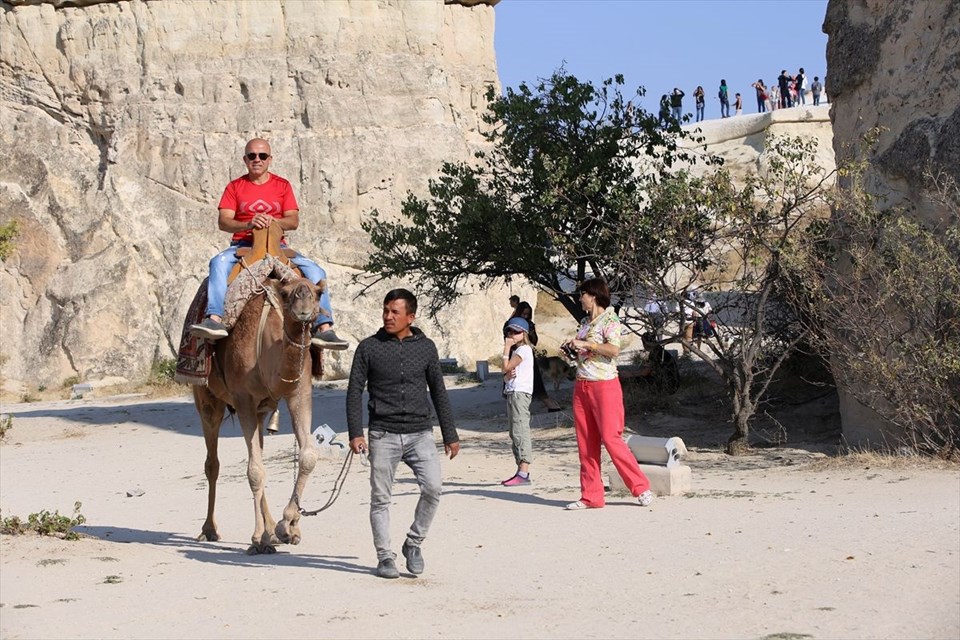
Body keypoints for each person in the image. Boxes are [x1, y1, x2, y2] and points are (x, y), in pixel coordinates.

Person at [190, 138, 348, 350]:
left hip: (278, 246)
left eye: (262, 156)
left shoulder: (282, 186)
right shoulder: (235, 187)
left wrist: (274, 221)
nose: (257, 160)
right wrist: (249, 222)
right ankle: (215, 318)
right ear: (245, 159)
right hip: (243, 245)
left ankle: (324, 327)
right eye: (252, 156)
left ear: (269, 159)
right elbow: (224, 221)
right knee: (217, 263)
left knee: (316, 271)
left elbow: (293, 220)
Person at [347, 288, 460, 579]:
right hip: (383, 434)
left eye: (395, 312)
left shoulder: (426, 347)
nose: (388, 316)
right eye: (385, 310)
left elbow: (438, 390)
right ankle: (385, 557)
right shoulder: (368, 347)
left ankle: (413, 543)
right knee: (381, 499)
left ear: (410, 316)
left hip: (420, 433)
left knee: (434, 488)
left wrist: (450, 434)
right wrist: (355, 433)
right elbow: (353, 391)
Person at [560, 278, 654, 510]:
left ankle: (641, 488)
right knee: (586, 443)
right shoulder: (584, 322)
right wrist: (573, 350)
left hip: (605, 385)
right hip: (582, 385)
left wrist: (587, 344)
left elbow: (613, 350)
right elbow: (585, 352)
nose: (579, 298)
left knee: (611, 438)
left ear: (592, 296)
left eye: (581, 294)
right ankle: (591, 496)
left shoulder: (610, 319)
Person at [504, 302, 562, 412]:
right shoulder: (510, 324)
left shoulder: (529, 324)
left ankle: (545, 402)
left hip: (526, 355)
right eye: (523, 314)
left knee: (534, 380)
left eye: (527, 314)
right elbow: (507, 340)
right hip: (514, 355)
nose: (525, 317)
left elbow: (535, 341)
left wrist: (530, 332)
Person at [500, 317, 534, 486]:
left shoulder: (524, 350)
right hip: (513, 392)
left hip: (520, 393)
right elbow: (506, 373)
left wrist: (506, 347)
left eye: (516, 332)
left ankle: (524, 472)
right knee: (515, 431)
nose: (512, 335)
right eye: (510, 331)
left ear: (524, 333)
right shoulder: (517, 351)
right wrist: (506, 377)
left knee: (520, 429)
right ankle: (520, 470)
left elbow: (505, 367)